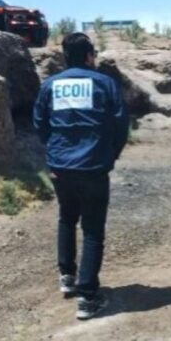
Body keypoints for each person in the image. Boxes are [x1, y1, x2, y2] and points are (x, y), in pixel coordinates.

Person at [33, 32, 130, 320]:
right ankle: (87, 297)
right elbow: (120, 124)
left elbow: (40, 123)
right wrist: (110, 155)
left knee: (67, 217)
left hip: (61, 167)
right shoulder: (104, 83)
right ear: (89, 56)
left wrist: (55, 153)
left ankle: (67, 275)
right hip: (94, 166)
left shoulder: (51, 85)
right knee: (92, 229)